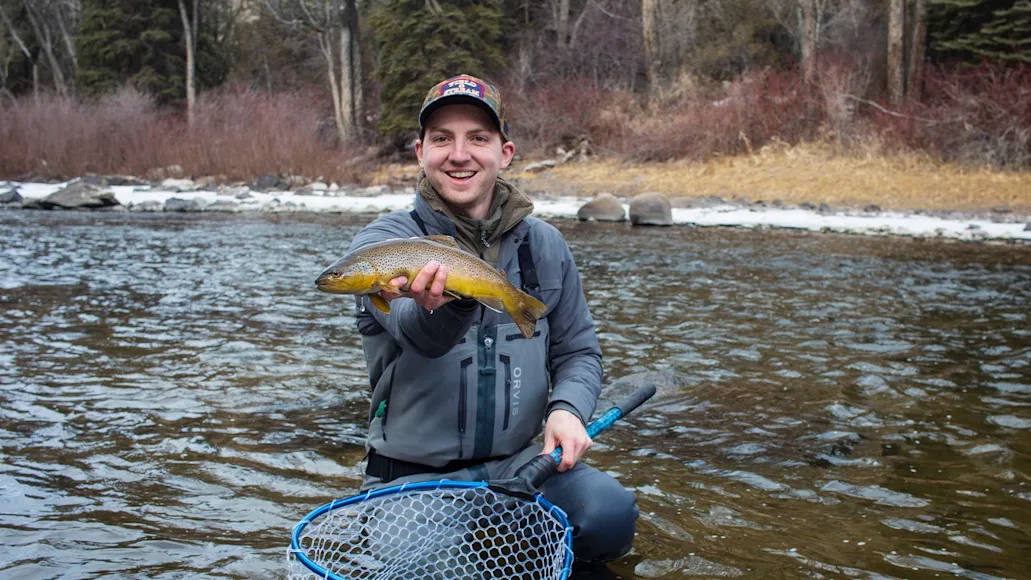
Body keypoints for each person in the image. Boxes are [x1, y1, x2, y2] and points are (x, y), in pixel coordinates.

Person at [346, 74, 638, 568]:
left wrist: (567, 409)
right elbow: (419, 334)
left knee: (609, 517)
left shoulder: (544, 246)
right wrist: (456, 301)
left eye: (478, 138)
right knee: (437, 570)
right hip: (412, 479)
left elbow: (578, 352)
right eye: (442, 139)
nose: (460, 154)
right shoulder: (382, 249)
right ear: (421, 152)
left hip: (523, 467)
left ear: (505, 153)